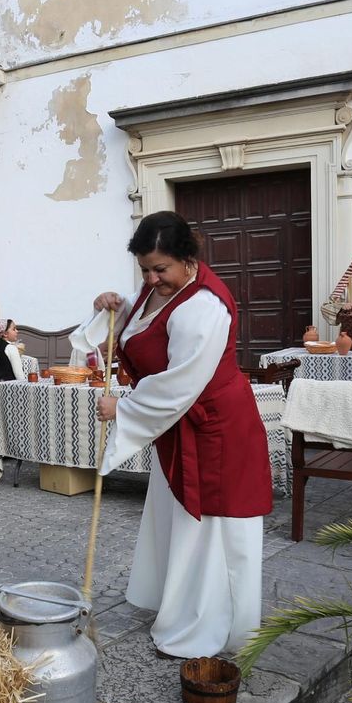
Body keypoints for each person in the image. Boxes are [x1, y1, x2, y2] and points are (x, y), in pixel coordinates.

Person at [83, 211, 272, 658]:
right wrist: (113, 305)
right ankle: (181, 606)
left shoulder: (205, 307)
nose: (151, 278)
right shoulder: (160, 288)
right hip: (181, 423)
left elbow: (180, 383)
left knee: (211, 527)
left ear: (188, 260)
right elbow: (138, 320)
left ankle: (212, 626)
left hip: (215, 427)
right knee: (179, 518)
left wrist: (123, 407)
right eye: (144, 269)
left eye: (160, 268)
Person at [0, 318, 27, 383]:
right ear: (5, 334)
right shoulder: (11, 348)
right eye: (14, 329)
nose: (17, 331)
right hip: (11, 387)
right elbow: (18, 374)